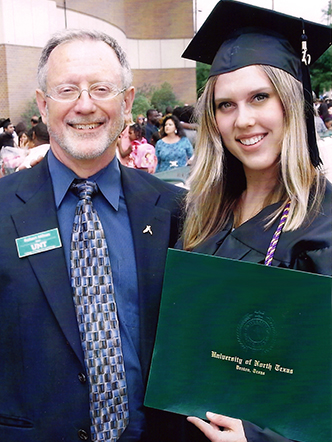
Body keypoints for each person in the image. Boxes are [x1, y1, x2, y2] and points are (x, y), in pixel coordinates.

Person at [0, 29, 186, 442]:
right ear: (44, 106)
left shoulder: (177, 211)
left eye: (101, 88)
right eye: (67, 90)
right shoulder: (2, 210)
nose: (85, 105)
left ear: (127, 102)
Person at [179, 1, 332, 441]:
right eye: (225, 105)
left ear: (292, 102)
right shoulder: (201, 212)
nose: (243, 120)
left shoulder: (323, 225)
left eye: (259, 97)